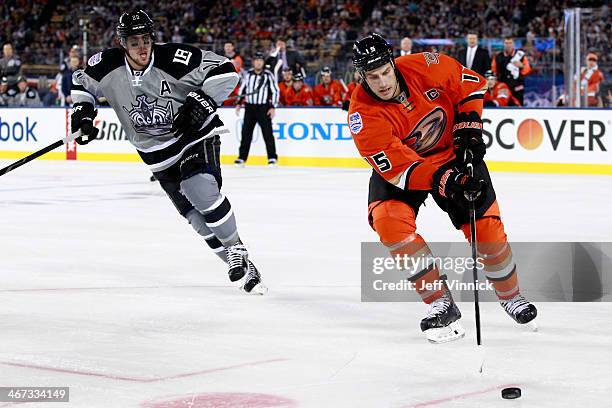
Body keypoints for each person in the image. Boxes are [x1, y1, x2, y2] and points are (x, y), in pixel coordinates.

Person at [348, 33, 537, 343]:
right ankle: (440, 301)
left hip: (453, 153)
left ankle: (510, 295)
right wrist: (447, 180)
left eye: (385, 72)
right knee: (388, 220)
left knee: (486, 229)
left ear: (392, 63)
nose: (381, 82)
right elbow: (401, 168)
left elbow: (472, 83)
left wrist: (469, 125)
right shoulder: (362, 115)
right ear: (361, 75)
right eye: (372, 76)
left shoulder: (425, 65)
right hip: (407, 170)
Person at [70, 9, 266, 295]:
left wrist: (203, 100)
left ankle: (236, 247)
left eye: (146, 39)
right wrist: (83, 113)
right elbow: (80, 83)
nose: (142, 47)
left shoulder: (174, 58)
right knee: (196, 220)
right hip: (157, 156)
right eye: (134, 41)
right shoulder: (106, 66)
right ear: (122, 42)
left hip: (194, 138)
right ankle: (242, 266)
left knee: (198, 189)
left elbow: (225, 70)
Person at [234, 52, 279, 167]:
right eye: (256, 60)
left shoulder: (268, 75)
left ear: (263, 62)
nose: (258, 62)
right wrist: (239, 103)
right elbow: (243, 89)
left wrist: (273, 106)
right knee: (246, 134)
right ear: (253, 62)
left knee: (267, 134)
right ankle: (242, 158)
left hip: (263, 108)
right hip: (249, 107)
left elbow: (275, 91)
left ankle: (272, 158)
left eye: (260, 60)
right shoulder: (248, 74)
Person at [491, 37, 532, 105]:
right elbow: (493, 71)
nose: (508, 45)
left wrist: (522, 66)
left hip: (517, 87)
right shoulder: (498, 56)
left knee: (518, 107)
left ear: (513, 44)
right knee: (502, 106)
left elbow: (527, 70)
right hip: (503, 87)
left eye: (510, 43)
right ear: (503, 44)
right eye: (506, 43)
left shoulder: (521, 56)